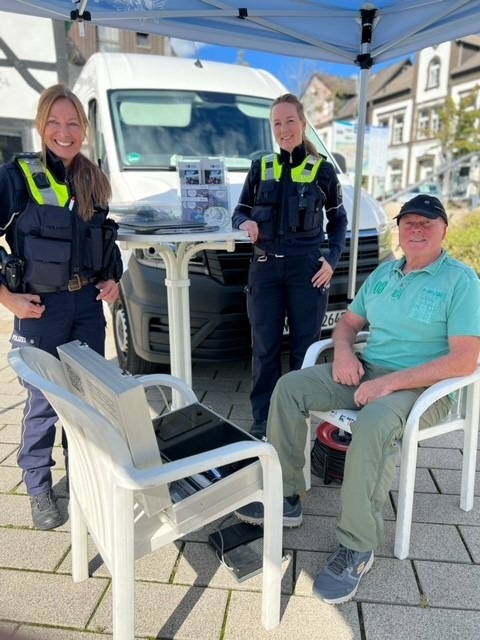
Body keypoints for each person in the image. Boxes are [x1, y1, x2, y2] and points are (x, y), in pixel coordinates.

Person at [235, 194, 480, 603]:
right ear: (398, 229)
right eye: (409, 222)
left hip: (425, 389)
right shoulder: (385, 273)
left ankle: (357, 546)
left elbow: (466, 359)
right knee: (290, 387)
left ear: (444, 230)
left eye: (427, 223)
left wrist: (390, 384)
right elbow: (347, 324)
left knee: (374, 424)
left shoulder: (461, 280)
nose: (417, 230)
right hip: (367, 370)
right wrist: (345, 353)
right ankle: (289, 495)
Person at [0, 84, 122, 530]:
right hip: (41, 310)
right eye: (55, 122)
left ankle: (85, 477)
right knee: (44, 400)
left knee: (87, 397)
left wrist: (113, 281)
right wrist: (6, 297)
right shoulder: (15, 177)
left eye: (73, 124)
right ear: (40, 125)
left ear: (84, 130)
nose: (64, 132)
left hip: (87, 307)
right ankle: (38, 488)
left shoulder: (95, 178)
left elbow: (108, 246)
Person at [232, 93, 348, 439]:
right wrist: (245, 224)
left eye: (290, 121)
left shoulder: (323, 171)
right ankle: (262, 423)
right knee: (264, 349)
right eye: (277, 123)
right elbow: (240, 210)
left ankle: (297, 422)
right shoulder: (260, 167)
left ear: (303, 124)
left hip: (307, 271)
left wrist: (332, 260)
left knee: (304, 349)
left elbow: (339, 222)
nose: (284, 129)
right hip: (265, 269)